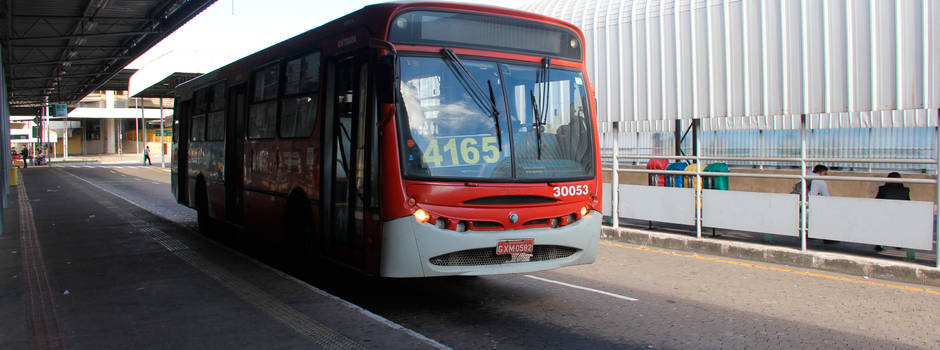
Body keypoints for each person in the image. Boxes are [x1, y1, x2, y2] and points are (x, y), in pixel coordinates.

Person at [873, 172, 910, 251]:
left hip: (885, 214)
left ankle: (880, 244)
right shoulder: (905, 190)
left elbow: (877, 201)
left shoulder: (883, 189)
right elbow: (908, 203)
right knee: (898, 225)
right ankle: (898, 243)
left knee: (882, 225)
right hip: (900, 216)